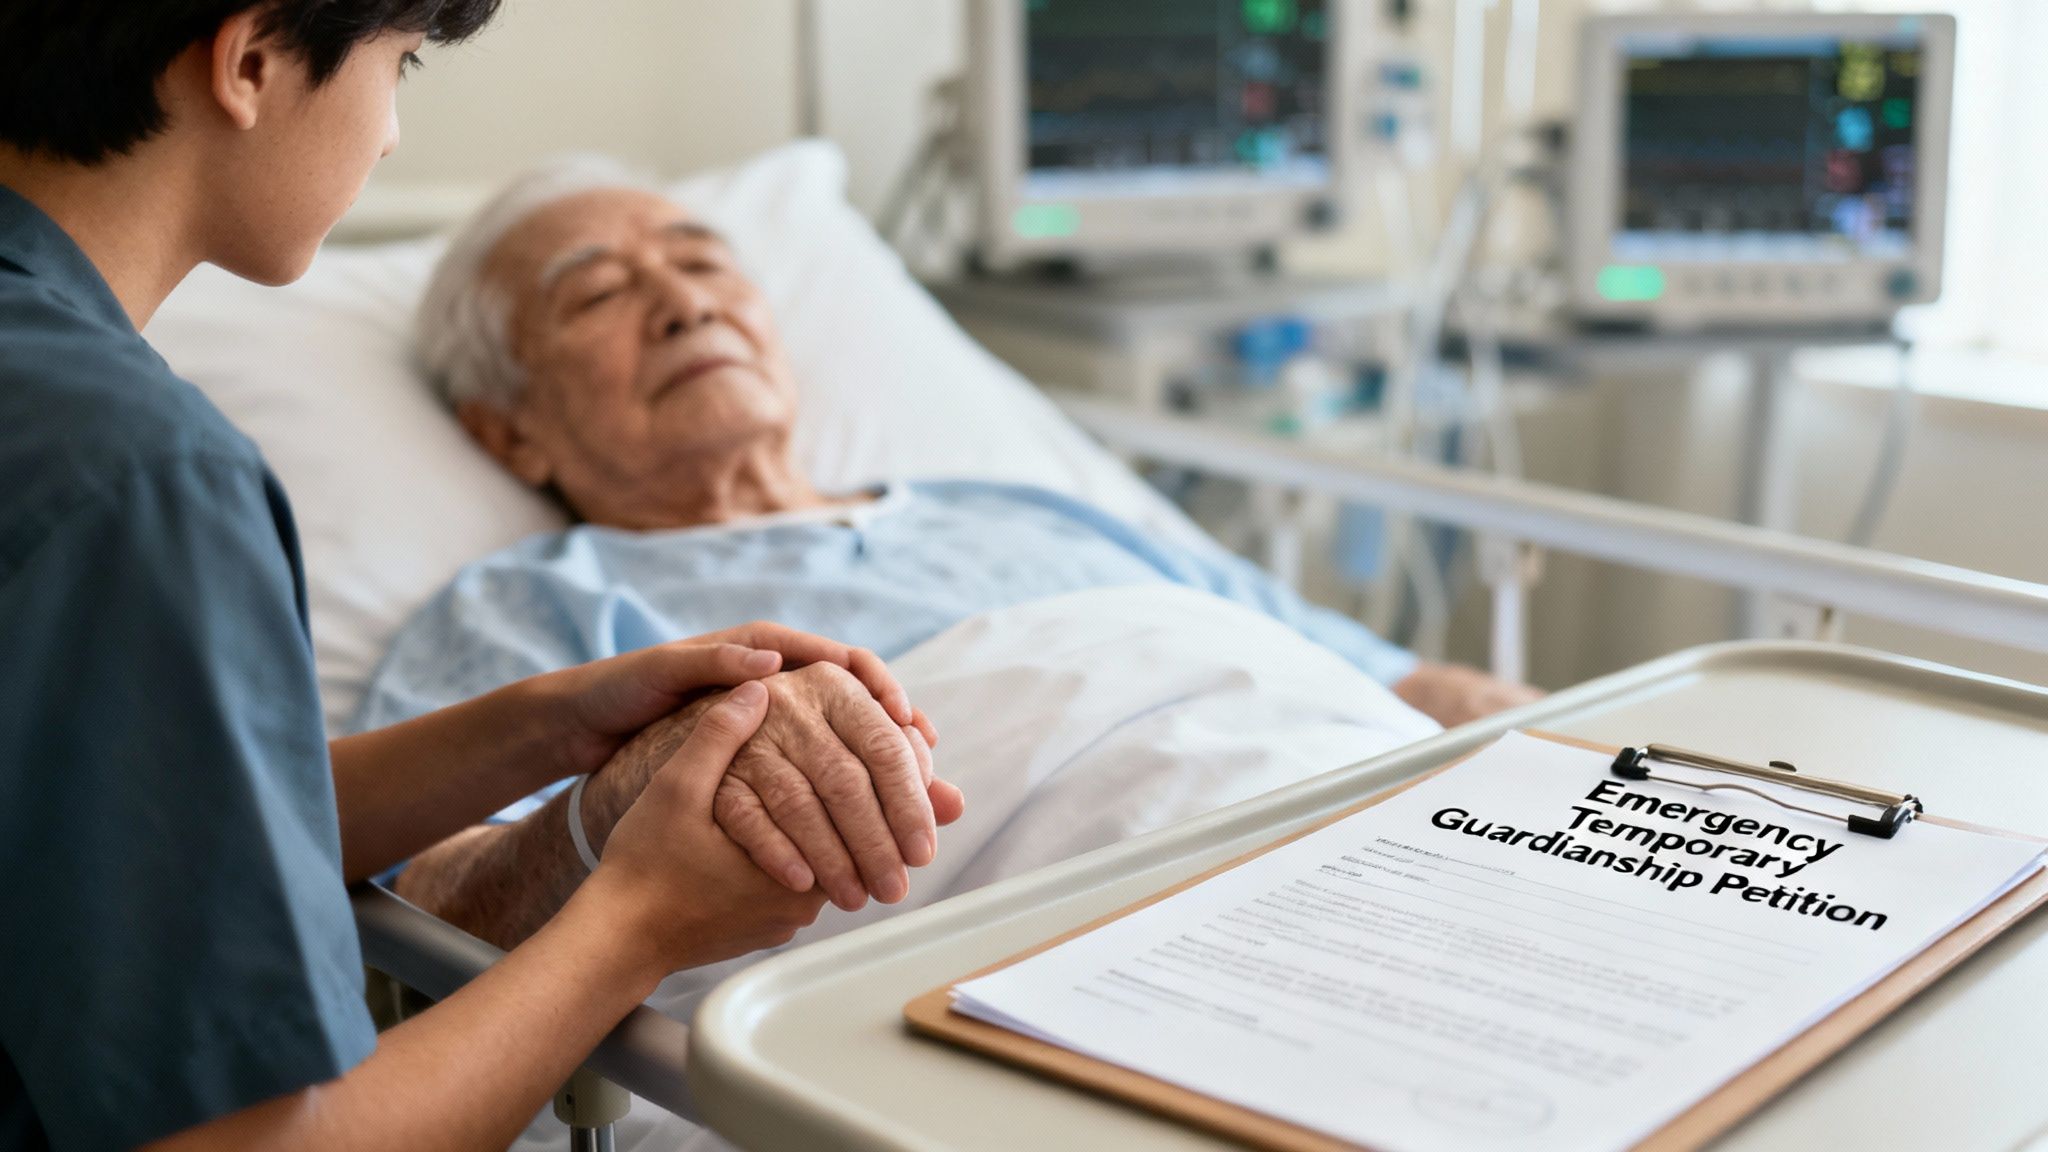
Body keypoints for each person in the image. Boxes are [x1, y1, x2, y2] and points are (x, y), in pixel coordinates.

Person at [0, 7, 958, 1150]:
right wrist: (640, 922)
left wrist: (552, 723)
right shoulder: (144, 478)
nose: (396, 130)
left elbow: (127, 816)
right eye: (399, 62)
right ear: (250, 61)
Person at [358, 160, 1542, 946]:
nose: (684, 303)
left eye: (705, 262)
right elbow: (426, 923)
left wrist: (1623, 759)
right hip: (1062, 943)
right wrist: (613, 803)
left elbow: (1387, 686)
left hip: (1400, 848)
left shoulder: (1023, 509)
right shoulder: (532, 609)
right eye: (596, 294)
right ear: (504, 427)